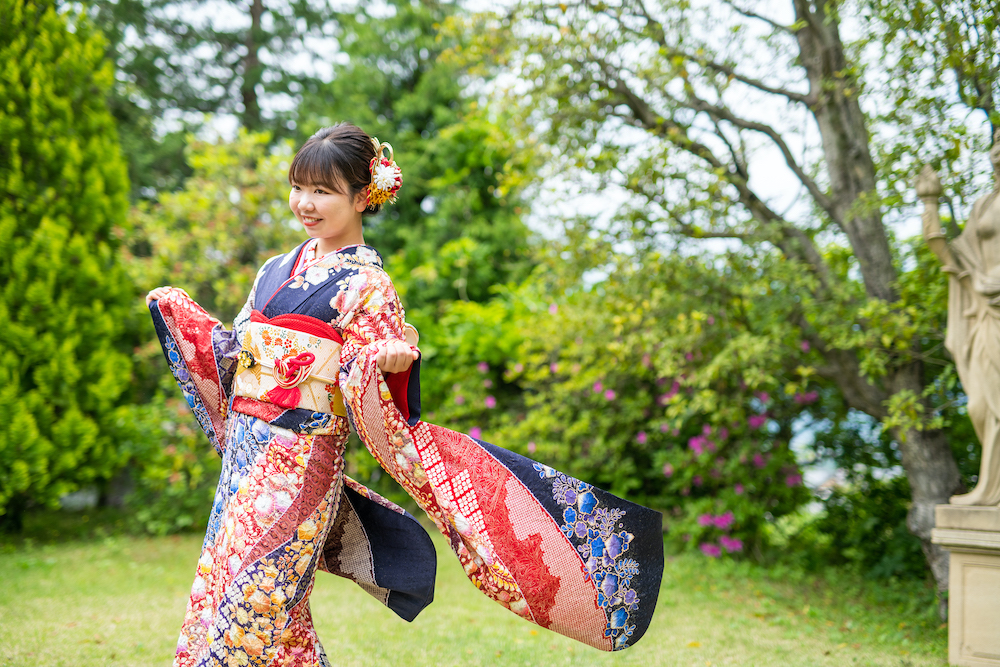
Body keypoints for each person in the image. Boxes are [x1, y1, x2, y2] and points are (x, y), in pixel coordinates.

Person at [147, 122, 664, 667]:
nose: (306, 203)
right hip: (244, 464)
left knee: (257, 605)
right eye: (299, 187)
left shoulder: (368, 286)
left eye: (323, 191)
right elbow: (236, 357)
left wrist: (386, 361)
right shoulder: (274, 270)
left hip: (301, 463)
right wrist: (184, 321)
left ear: (362, 196)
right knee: (231, 598)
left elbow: (381, 389)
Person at [918, 131, 1000, 506]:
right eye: (995, 144)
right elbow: (950, 254)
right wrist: (930, 202)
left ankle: (991, 491)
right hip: (986, 310)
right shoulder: (984, 204)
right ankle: (992, 489)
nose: (997, 152)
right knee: (980, 406)